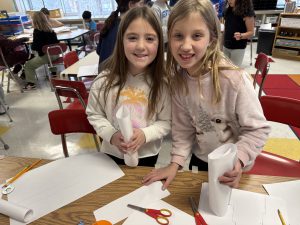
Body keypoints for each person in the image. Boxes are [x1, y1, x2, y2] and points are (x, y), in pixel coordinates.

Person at [142, 0, 270, 189]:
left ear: (211, 38)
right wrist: (175, 164)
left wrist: (239, 161)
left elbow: (257, 130)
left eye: (196, 36)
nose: (186, 46)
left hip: (234, 165)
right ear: (169, 37)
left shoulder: (234, 80)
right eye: (178, 36)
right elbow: (183, 130)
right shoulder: (178, 82)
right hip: (201, 159)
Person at [86, 6, 171, 167]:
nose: (140, 46)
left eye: (150, 38)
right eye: (132, 38)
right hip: (112, 153)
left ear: (159, 43)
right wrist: (112, 135)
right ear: (121, 41)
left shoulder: (162, 84)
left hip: (148, 154)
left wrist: (145, 134)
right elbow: (94, 114)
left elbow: (167, 121)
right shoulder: (104, 81)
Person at [96, 0, 144, 69]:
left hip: (103, 73)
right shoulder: (129, 29)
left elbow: (98, 51)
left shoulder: (110, 23)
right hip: (114, 76)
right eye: (141, 4)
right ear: (131, 5)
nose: (143, 7)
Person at [23, 11, 59, 90]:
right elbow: (56, 42)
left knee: (28, 65)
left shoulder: (37, 32)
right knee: (48, 56)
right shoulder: (51, 30)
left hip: (46, 56)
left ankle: (31, 84)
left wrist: (33, 44)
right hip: (56, 54)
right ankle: (54, 73)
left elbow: (35, 47)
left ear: (34, 20)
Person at [223, 0, 255, 66]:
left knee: (234, 71)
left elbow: (251, 32)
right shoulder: (228, 11)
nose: (229, 1)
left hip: (238, 48)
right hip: (226, 45)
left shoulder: (247, 13)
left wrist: (241, 35)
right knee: (225, 69)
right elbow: (226, 29)